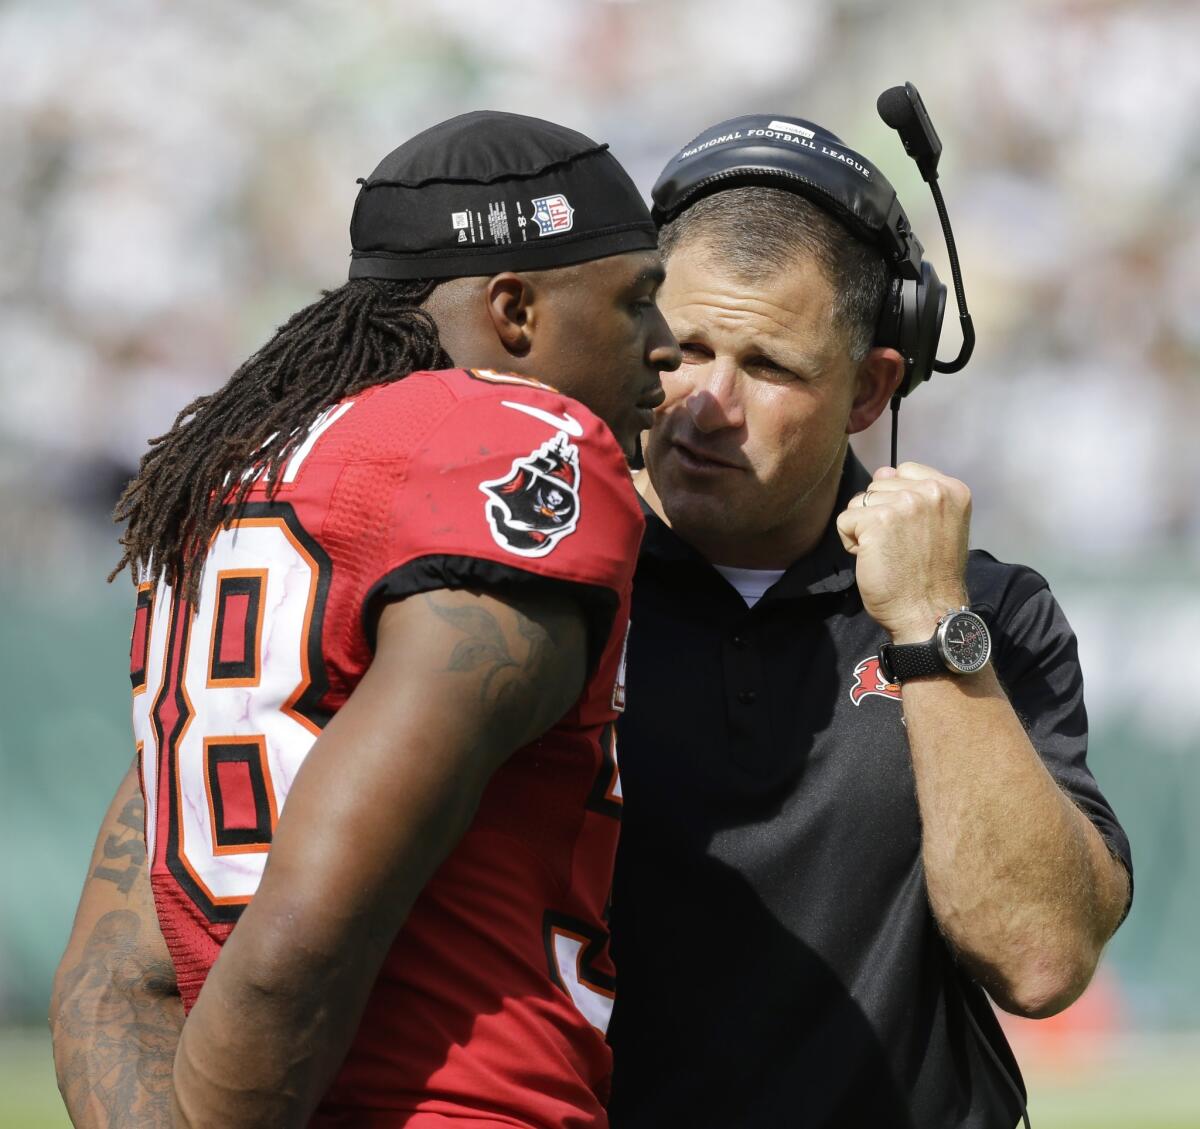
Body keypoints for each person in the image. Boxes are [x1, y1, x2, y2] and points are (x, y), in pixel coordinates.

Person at [49, 110, 680, 1128]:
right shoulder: (516, 436)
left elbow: (112, 977)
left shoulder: (244, 468)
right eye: (636, 301)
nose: (666, 346)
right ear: (514, 310)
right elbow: (303, 928)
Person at [607, 117, 1132, 1128]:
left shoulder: (990, 610)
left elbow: (1038, 958)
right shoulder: (548, 584)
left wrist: (933, 625)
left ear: (873, 388)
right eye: (686, 350)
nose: (707, 404)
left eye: (768, 367)